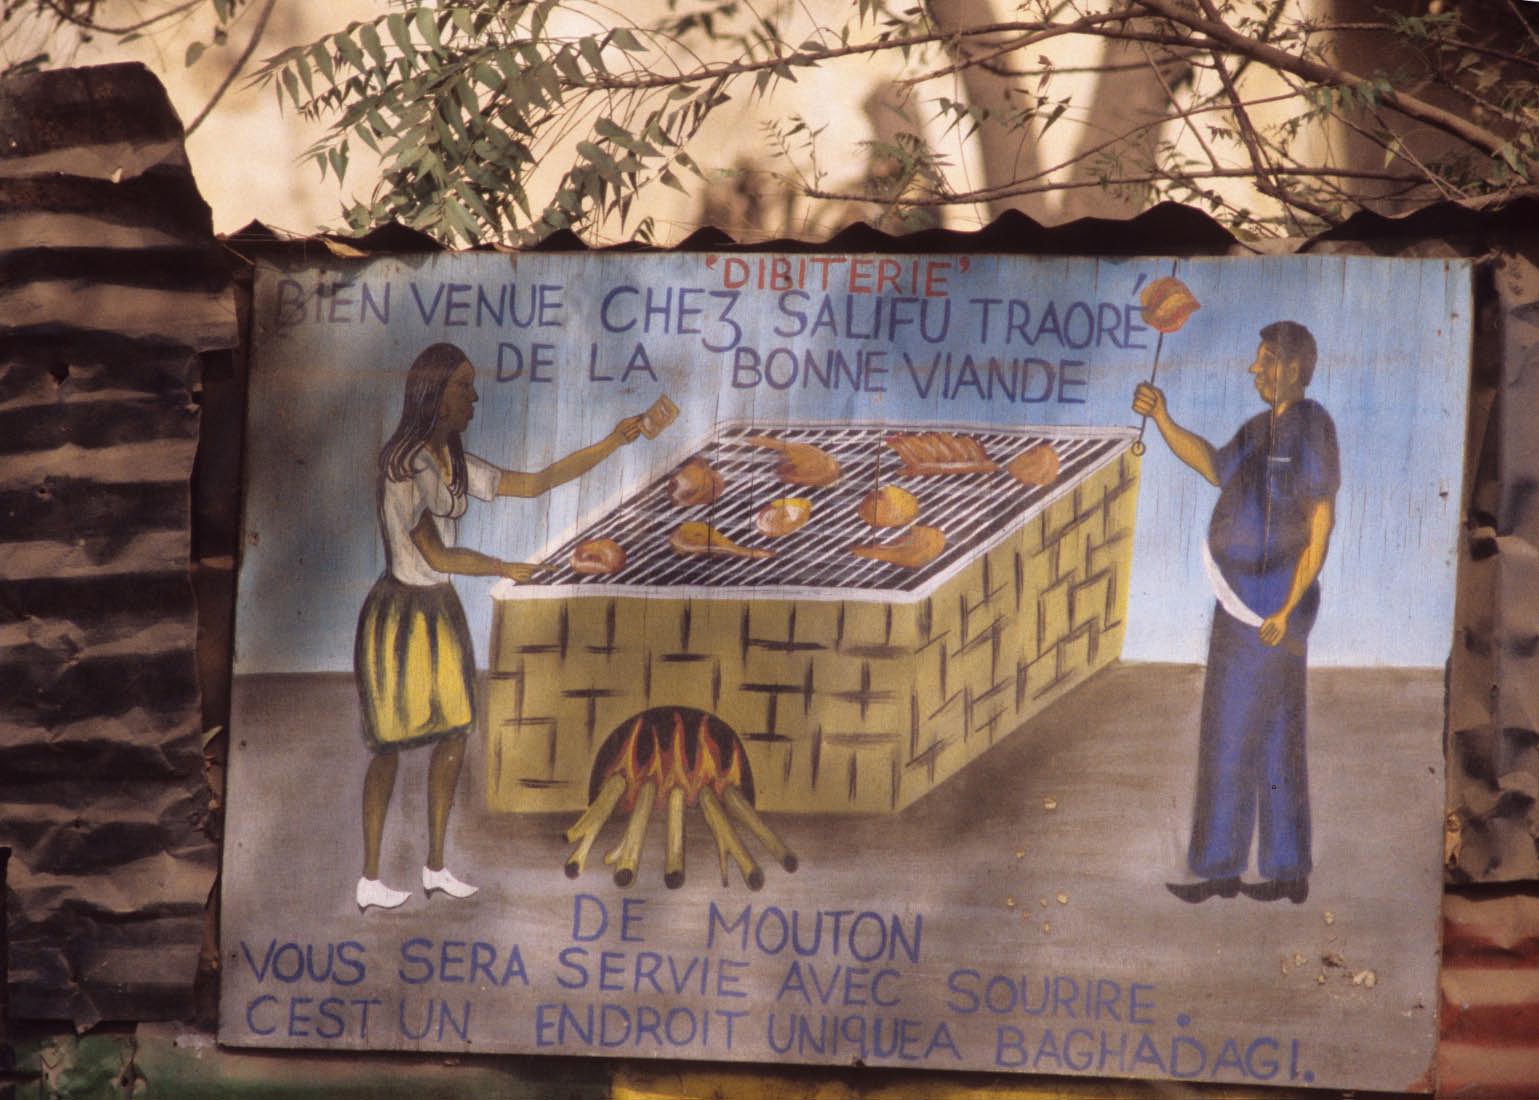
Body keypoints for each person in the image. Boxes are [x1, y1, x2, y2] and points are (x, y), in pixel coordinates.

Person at [354, 342, 643, 910]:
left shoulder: (452, 462)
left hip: (440, 610)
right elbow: (434, 553)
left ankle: (435, 865)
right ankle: (369, 876)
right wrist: (502, 566)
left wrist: (614, 440)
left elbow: (534, 483)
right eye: (464, 386)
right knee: (389, 745)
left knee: (454, 736)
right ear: (434, 396)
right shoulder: (403, 464)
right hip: (401, 614)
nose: (474, 397)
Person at [1131, 321, 1338, 905]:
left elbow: (1320, 522)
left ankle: (1273, 869)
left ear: (1292, 368)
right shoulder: (1255, 428)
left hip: (1276, 607)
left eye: (1264, 361)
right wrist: (1165, 418)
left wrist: (1291, 604)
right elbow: (1211, 464)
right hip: (1237, 600)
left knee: (1264, 731)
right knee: (1238, 728)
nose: (1254, 371)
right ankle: (1244, 870)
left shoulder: (1313, 426)